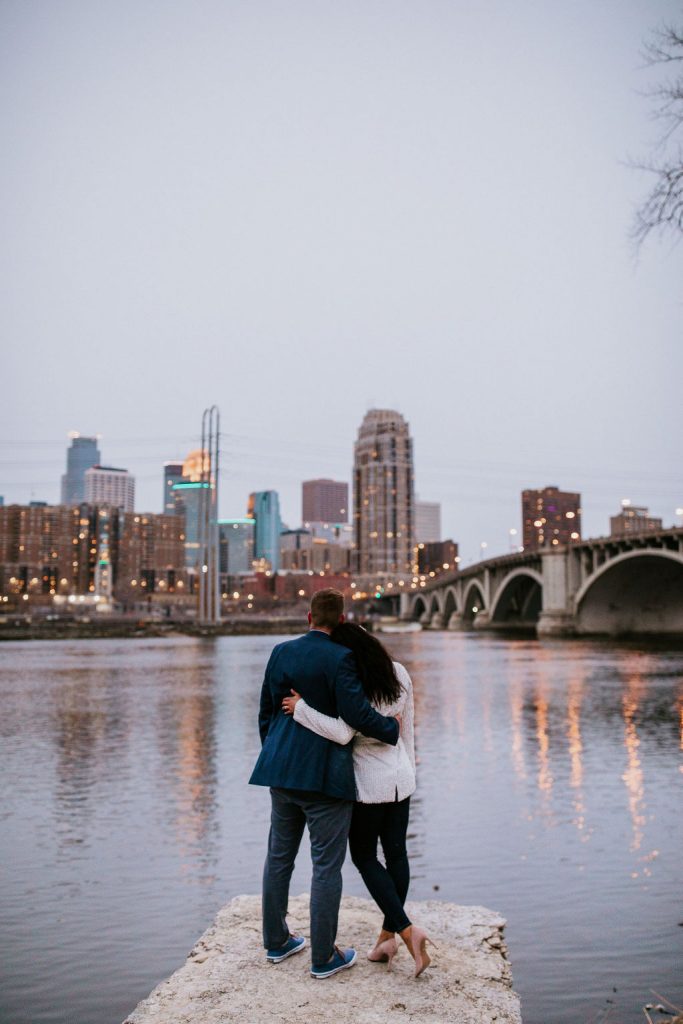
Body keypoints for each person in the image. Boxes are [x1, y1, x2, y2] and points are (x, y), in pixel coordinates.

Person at [249, 589, 400, 980]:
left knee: (279, 857)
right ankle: (323, 958)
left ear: (308, 616)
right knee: (326, 867)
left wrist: (277, 752)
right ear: (343, 618)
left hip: (281, 772)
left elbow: (266, 711)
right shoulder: (342, 658)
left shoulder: (281, 651)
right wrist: (390, 728)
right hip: (324, 781)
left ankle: (277, 942)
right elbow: (357, 715)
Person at [282, 622, 433, 977]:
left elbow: (342, 732)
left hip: (369, 784)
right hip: (401, 777)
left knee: (364, 856)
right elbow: (406, 728)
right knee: (396, 854)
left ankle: (407, 932)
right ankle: (386, 937)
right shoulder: (398, 673)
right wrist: (408, 769)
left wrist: (301, 708)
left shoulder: (353, 681)